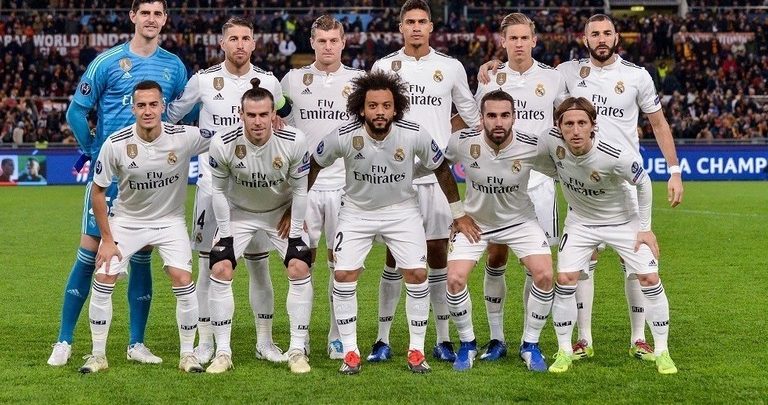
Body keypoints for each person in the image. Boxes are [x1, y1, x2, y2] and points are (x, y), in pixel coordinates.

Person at [479, 13, 684, 360]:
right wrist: (495, 65)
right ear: (585, 39)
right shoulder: (567, 73)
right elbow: (526, 69)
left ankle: (638, 338)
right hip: (580, 180)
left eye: (607, 33)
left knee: (635, 264)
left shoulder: (637, 75)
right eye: (595, 34)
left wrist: (674, 170)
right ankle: (584, 338)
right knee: (582, 261)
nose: (601, 39)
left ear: (616, 37)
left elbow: (659, 123)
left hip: (624, 179)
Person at [308, 70, 477, 375]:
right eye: (373, 106)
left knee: (417, 273)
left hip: (402, 211)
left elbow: (441, 169)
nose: (380, 112)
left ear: (396, 108)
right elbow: (314, 165)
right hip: (356, 212)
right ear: (362, 108)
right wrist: (296, 208)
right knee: (343, 275)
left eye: (386, 106)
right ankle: (350, 352)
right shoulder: (343, 135)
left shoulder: (414, 133)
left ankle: (416, 350)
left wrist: (459, 213)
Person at [49, 0, 187, 367]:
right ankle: (64, 340)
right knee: (89, 254)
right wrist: (93, 150)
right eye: (145, 13)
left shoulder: (174, 67)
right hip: (110, 176)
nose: (151, 19)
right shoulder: (107, 62)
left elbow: (184, 112)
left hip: (149, 180)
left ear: (165, 19)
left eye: (157, 14)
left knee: (141, 258)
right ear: (133, 17)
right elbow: (76, 111)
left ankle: (136, 343)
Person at [166, 16, 290, 365]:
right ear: (222, 43)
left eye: (245, 38)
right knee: (209, 267)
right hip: (212, 188)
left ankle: (265, 342)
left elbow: (283, 124)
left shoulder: (269, 81)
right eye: (233, 38)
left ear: (254, 43)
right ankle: (206, 342)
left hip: (257, 192)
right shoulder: (203, 81)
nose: (239, 44)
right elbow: (171, 118)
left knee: (259, 267)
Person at [368, 0, 481, 363]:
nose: (416, 27)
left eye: (422, 21)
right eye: (410, 22)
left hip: (436, 178)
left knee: (437, 256)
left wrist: (449, 141)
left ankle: (443, 338)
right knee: (394, 258)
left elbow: (471, 115)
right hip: (395, 177)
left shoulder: (450, 67)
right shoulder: (384, 66)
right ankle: (382, 339)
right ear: (400, 27)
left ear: (431, 26)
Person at [79, 80, 209, 374]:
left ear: (163, 107)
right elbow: (98, 192)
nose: (147, 111)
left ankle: (188, 355)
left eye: (153, 105)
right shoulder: (116, 143)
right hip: (127, 220)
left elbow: (224, 137)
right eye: (141, 105)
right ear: (133, 108)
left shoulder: (184, 136)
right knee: (104, 275)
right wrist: (107, 240)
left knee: (182, 279)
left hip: (169, 220)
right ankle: (98, 355)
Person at [541, 97, 677, 375]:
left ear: (593, 126)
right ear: (558, 127)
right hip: (580, 223)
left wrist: (645, 228)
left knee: (650, 278)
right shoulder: (550, 142)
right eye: (569, 124)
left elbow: (644, 182)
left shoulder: (614, 154)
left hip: (622, 222)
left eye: (582, 123)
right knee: (565, 279)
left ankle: (662, 351)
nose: (575, 130)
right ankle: (565, 350)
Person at [471, 13, 567, 361]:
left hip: (537, 180)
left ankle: (530, 340)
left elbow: (565, 120)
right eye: (513, 38)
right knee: (495, 257)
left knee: (536, 265)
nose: (519, 44)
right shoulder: (490, 77)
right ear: (503, 42)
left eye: (525, 38)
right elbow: (476, 123)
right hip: (496, 182)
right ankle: (496, 338)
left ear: (534, 40)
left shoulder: (553, 78)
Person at [206, 81, 314, 374]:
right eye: (251, 115)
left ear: (273, 115)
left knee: (299, 266)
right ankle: (223, 352)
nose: (257, 121)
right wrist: (225, 235)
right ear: (240, 114)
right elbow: (218, 191)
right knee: (220, 267)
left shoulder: (294, 140)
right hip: (239, 213)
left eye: (264, 114)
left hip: (278, 213)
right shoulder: (223, 142)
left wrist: (295, 235)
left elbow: (301, 190)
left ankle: (297, 350)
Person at [445, 90, 554, 372]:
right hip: (476, 222)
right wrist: (458, 214)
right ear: (481, 118)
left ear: (514, 117)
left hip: (520, 221)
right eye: (491, 115)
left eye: (505, 115)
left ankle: (530, 345)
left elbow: (564, 170)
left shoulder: (533, 146)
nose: (498, 122)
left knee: (544, 275)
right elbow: (439, 167)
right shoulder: (462, 141)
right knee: (454, 280)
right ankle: (468, 344)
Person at [280, 14, 365, 360]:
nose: (328, 47)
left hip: (346, 186)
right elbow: (280, 125)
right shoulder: (292, 80)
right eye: (322, 41)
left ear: (343, 43)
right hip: (305, 187)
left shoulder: (360, 81)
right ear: (312, 43)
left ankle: (335, 335)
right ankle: (299, 338)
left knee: (339, 263)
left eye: (334, 41)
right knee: (302, 261)